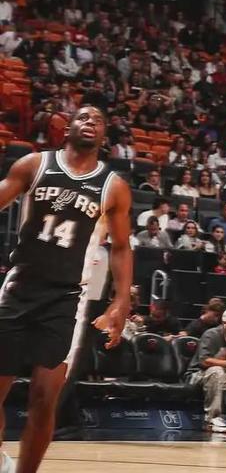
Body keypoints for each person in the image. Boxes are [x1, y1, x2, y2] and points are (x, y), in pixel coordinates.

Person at [0, 105, 132, 473]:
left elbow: (121, 247)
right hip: (19, 287)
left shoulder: (113, 187)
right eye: (84, 117)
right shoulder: (34, 165)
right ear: (66, 127)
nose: (91, 123)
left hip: (66, 299)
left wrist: (121, 300)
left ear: (104, 136)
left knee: (45, 399)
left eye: (98, 120)